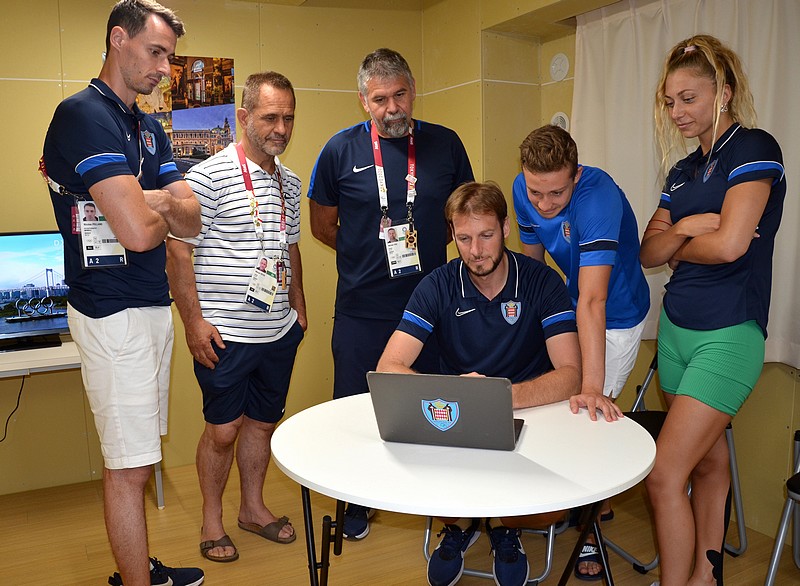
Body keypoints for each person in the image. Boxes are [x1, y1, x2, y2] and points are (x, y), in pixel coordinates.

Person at [377, 181, 621, 586]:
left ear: (506, 228)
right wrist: (460, 397)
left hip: (530, 415)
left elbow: (570, 374)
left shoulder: (542, 282)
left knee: (551, 506)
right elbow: (389, 367)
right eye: (465, 238)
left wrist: (500, 398)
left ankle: (505, 527)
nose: (476, 250)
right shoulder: (437, 284)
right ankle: (462, 525)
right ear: (453, 236)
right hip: (458, 416)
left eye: (486, 235)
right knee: (415, 466)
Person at [41, 1, 204, 585]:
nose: (165, 68)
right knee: (129, 468)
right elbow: (136, 234)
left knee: (140, 461)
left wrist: (151, 199)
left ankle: (139, 569)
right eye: (155, 52)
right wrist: (154, 206)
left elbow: (193, 219)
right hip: (113, 314)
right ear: (118, 39)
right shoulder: (83, 114)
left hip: (149, 309)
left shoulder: (148, 126)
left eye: (170, 56)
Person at [308, 47, 473, 540]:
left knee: (440, 410)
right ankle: (355, 505)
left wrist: (419, 255)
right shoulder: (339, 150)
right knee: (355, 410)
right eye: (380, 99)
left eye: (400, 94)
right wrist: (367, 255)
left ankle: (447, 509)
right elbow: (322, 224)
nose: (392, 107)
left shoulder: (445, 144)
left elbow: (461, 220)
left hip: (431, 306)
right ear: (363, 101)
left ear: (413, 90)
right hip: (361, 307)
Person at [640, 34, 785, 586]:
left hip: (728, 334)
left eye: (689, 98)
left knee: (663, 474)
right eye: (670, 101)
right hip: (676, 328)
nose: (677, 111)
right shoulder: (681, 172)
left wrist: (685, 243)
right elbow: (647, 252)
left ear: (723, 93)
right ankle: (706, 572)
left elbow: (730, 247)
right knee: (705, 461)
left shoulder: (755, 148)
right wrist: (681, 230)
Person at [166, 71, 306, 564]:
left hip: (277, 333)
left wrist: (300, 311)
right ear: (244, 117)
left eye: (288, 118)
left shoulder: (289, 181)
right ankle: (211, 518)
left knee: (262, 425)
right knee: (223, 431)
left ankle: (252, 508)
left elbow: (290, 248)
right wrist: (193, 323)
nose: (281, 128)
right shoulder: (207, 176)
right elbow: (178, 252)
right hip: (224, 335)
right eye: (270, 117)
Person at [513, 124, 650, 579]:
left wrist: (591, 386)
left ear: (576, 174)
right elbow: (532, 269)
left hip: (617, 313)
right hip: (572, 307)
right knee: (544, 402)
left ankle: (590, 533)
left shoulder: (599, 199)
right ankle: (554, 503)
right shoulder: (523, 188)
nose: (545, 204)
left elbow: (595, 300)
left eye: (556, 193)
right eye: (536, 192)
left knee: (586, 419)